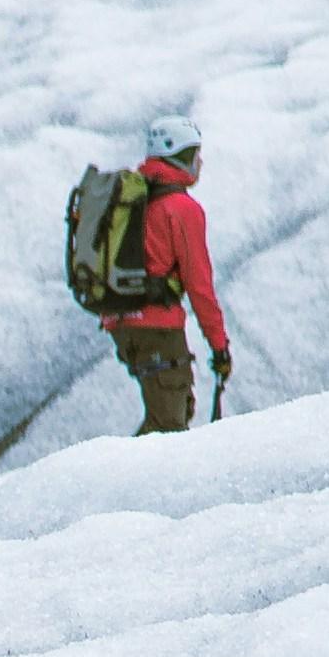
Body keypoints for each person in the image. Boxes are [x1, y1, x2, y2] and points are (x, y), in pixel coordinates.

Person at [103, 113, 233, 433]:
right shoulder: (182, 209)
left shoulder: (135, 197)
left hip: (121, 322)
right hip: (156, 328)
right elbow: (199, 286)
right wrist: (219, 346)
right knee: (168, 426)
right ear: (184, 157)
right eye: (195, 154)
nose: (200, 162)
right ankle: (111, 479)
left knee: (167, 419)